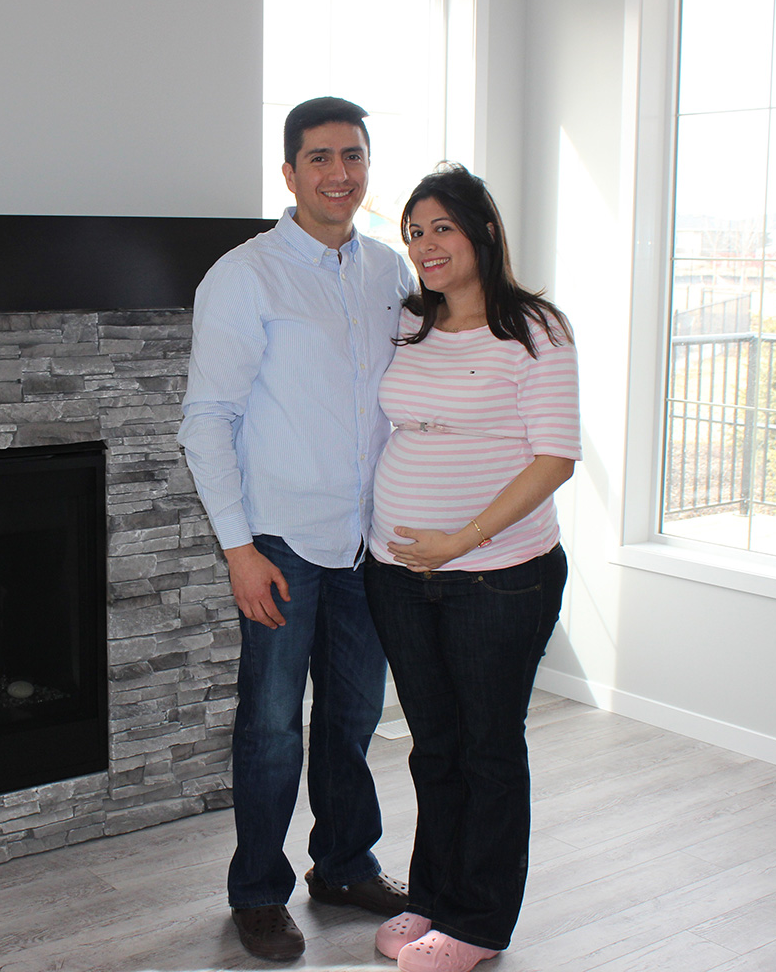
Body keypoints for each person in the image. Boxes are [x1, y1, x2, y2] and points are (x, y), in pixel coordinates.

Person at [178, 96, 416, 961]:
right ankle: (256, 891)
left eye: (353, 156)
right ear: (289, 173)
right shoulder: (246, 275)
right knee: (273, 726)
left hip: (368, 541)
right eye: (320, 157)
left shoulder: (391, 270)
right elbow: (206, 420)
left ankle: (345, 866)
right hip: (278, 541)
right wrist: (238, 550)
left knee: (351, 717)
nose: (338, 173)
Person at [364, 164, 579, 972]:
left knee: (487, 747)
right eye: (415, 233)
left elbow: (555, 459)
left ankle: (480, 925)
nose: (426, 246)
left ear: (484, 231)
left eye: (442, 228)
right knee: (435, 745)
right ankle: (433, 898)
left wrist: (460, 541)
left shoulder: (535, 330)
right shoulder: (409, 323)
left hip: (499, 576)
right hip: (399, 575)